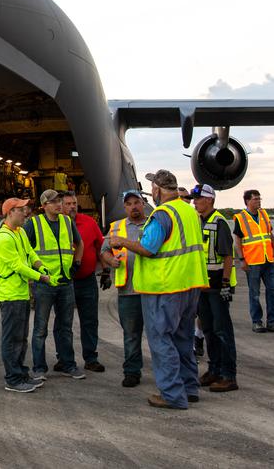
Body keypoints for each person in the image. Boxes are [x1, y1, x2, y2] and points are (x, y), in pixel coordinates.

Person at [109, 170, 208, 410]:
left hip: (164, 287)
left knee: (162, 340)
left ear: (156, 190)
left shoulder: (163, 214)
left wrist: (121, 241)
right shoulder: (189, 211)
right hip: (190, 284)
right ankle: (189, 387)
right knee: (184, 338)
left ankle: (172, 395)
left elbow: (148, 247)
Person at [0, 196, 54, 393]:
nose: (25, 212)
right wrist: (40, 277)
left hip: (20, 294)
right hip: (10, 296)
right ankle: (13, 378)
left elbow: (30, 253)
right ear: (10, 212)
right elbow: (17, 266)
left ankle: (21, 373)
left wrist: (41, 266)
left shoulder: (19, 232)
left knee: (21, 338)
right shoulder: (3, 237)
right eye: (21, 210)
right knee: (12, 339)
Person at [24, 189, 86, 380]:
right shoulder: (34, 224)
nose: (58, 204)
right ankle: (39, 368)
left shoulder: (67, 222)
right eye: (53, 202)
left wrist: (76, 263)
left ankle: (68, 364)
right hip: (44, 284)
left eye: (59, 200)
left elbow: (79, 243)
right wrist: (34, 275)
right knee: (40, 328)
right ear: (44, 206)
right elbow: (24, 250)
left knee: (65, 326)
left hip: (65, 282)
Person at [192, 184, 238, 393]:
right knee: (209, 330)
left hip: (217, 285)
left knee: (222, 331)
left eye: (198, 198)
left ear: (209, 200)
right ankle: (214, 370)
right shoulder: (198, 221)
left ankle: (228, 375)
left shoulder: (218, 223)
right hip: (203, 286)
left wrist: (226, 283)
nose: (195, 202)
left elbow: (228, 255)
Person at [100, 188, 148, 387]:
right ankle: (132, 371)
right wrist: (110, 261)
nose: (133, 207)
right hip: (128, 291)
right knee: (131, 334)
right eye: (128, 204)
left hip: (152, 289)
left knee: (158, 334)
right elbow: (104, 250)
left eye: (136, 202)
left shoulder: (154, 223)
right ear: (124, 207)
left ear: (143, 203)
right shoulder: (116, 227)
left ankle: (165, 371)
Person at [233, 190, 274, 333]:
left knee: (272, 291)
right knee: (255, 293)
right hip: (252, 262)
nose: (259, 201)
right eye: (255, 199)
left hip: (267, 260)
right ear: (247, 201)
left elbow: (269, 235)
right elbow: (237, 241)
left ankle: (273, 321)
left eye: (259, 199)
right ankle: (257, 321)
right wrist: (241, 259)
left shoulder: (264, 214)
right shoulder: (241, 218)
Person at [61, 191, 106, 373]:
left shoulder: (89, 222)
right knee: (64, 323)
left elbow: (101, 247)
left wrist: (106, 271)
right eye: (68, 204)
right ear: (60, 206)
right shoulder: (55, 225)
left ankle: (91, 358)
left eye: (74, 203)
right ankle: (64, 358)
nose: (72, 206)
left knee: (89, 321)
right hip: (65, 282)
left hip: (87, 281)